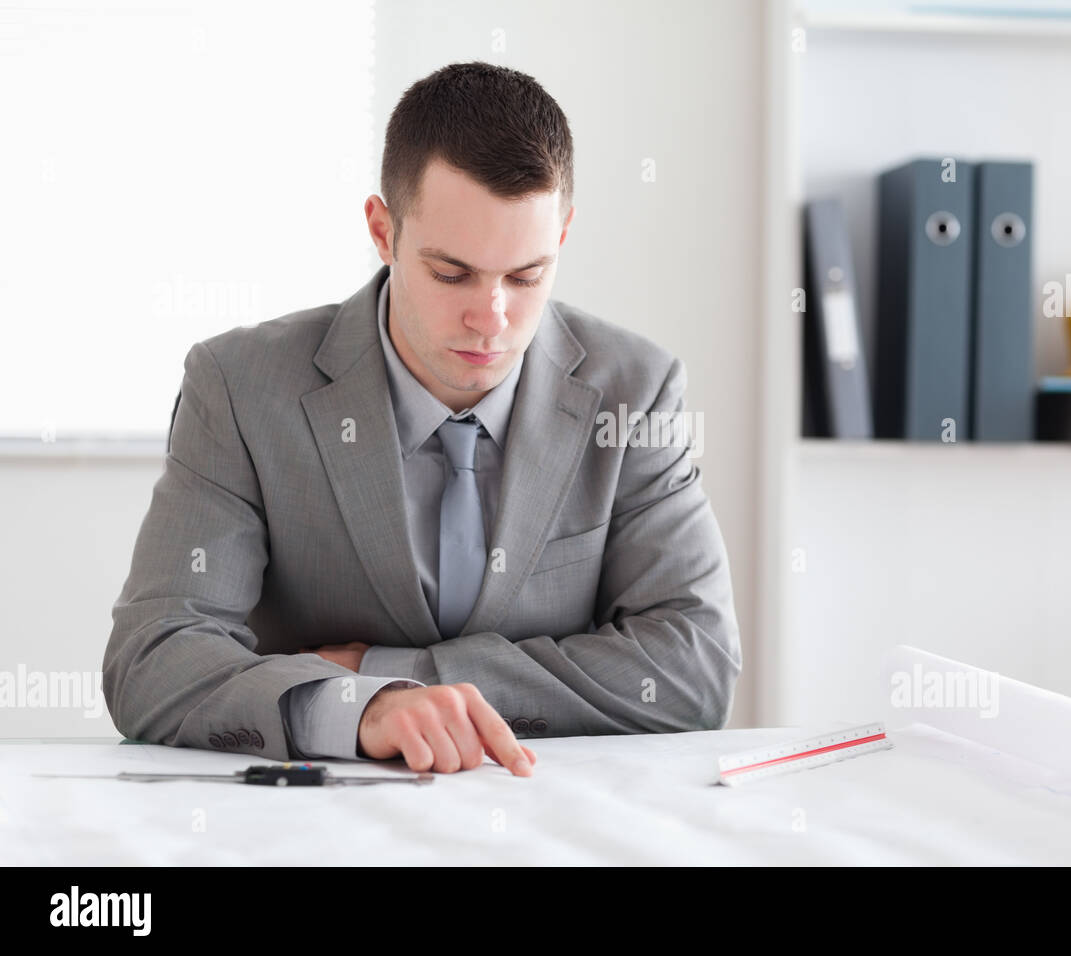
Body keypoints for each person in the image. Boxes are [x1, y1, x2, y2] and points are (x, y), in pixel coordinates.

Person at [102, 61, 741, 776]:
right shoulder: (241, 388)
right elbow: (153, 658)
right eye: (451, 273)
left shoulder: (636, 391)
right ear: (383, 230)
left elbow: (696, 663)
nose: (491, 319)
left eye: (526, 276)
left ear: (562, 235)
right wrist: (360, 712)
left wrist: (389, 676)